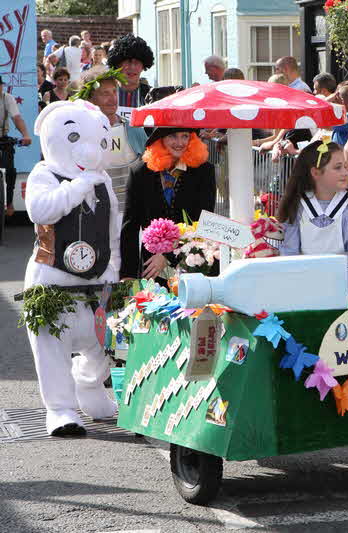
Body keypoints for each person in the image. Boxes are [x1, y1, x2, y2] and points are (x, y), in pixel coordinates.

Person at [23, 99, 120, 436]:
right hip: (53, 279)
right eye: (76, 138)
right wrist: (77, 187)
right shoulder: (43, 173)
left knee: (101, 344)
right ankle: (61, 408)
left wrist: (114, 269)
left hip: (97, 279)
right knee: (52, 346)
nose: (91, 150)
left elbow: (113, 228)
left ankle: (91, 391)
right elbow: (40, 211)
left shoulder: (104, 180)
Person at [278, 139, 348, 299]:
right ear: (315, 173)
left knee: (341, 282)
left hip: (341, 272)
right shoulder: (297, 203)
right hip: (305, 272)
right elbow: (290, 251)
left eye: (344, 165)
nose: (345, 172)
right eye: (337, 167)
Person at [120, 128, 215, 280]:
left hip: (192, 265)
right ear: (160, 140)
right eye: (173, 136)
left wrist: (168, 256)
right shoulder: (139, 173)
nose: (180, 143)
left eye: (185, 136)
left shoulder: (204, 171)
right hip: (151, 269)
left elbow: (204, 223)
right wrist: (128, 275)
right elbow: (130, 227)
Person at [74, 66, 147, 209]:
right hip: (96, 213)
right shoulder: (80, 134)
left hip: (129, 211)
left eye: (114, 92)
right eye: (105, 93)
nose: (113, 98)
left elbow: (150, 169)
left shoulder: (133, 129)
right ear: (90, 98)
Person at [0, 75, 33, 218]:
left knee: (10, 170)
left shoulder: (7, 98)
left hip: (2, 137)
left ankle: (9, 202)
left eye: (0, 85)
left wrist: (26, 135)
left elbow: (17, 118)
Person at [106, 34, 154, 120]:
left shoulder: (152, 96)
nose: (132, 67)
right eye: (128, 61)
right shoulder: (105, 95)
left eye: (137, 62)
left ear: (143, 66)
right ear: (117, 64)